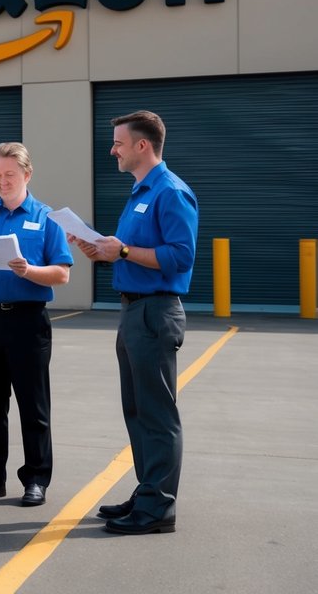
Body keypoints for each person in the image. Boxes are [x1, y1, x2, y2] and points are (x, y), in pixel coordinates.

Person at [71, 110, 197, 535]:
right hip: (133, 311)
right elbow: (130, 251)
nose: (113, 150)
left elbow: (180, 257)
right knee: (137, 411)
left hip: (156, 313)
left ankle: (159, 508)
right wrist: (103, 250)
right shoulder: (139, 192)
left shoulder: (171, 193)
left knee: (157, 414)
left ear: (143, 146)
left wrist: (121, 251)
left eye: (119, 143)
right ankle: (147, 492)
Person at [0, 143, 72, 507]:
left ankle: (36, 479)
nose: (2, 182)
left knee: (33, 405)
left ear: (27, 175)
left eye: (9, 175)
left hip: (27, 321)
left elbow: (62, 274)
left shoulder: (47, 217)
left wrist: (29, 270)